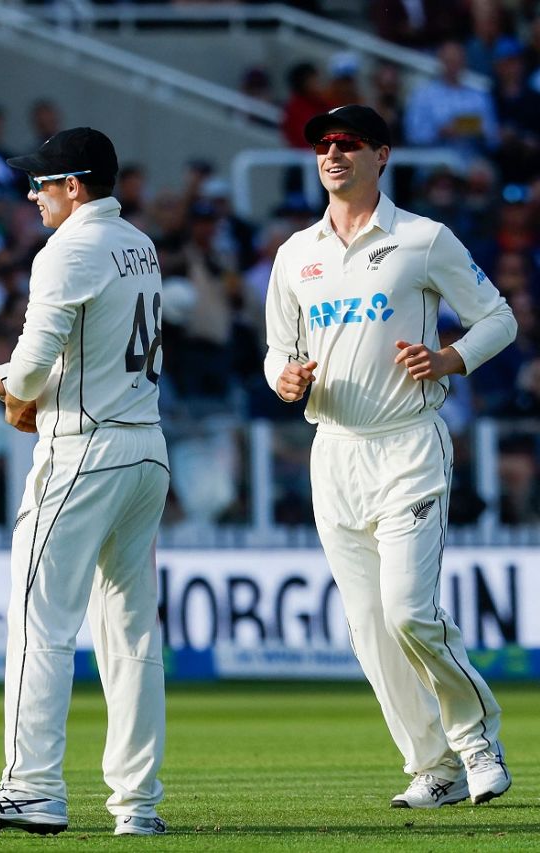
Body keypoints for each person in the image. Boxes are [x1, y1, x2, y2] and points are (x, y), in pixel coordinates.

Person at [265, 104, 516, 810]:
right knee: (371, 628)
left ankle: (477, 743)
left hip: (407, 443)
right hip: (333, 455)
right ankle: (432, 767)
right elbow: (277, 350)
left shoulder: (421, 239)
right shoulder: (297, 253)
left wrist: (448, 359)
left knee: (408, 611)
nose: (333, 155)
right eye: (323, 145)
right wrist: (283, 378)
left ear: (382, 155)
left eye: (348, 144)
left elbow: (499, 317)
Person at [0, 127, 170, 837]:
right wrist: (18, 386)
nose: (31, 195)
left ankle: (31, 785)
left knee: (41, 619)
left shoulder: (67, 249)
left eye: (42, 183)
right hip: (144, 445)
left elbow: (34, 367)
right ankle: (137, 804)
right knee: (130, 633)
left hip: (85, 451)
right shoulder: (139, 242)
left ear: (75, 186)